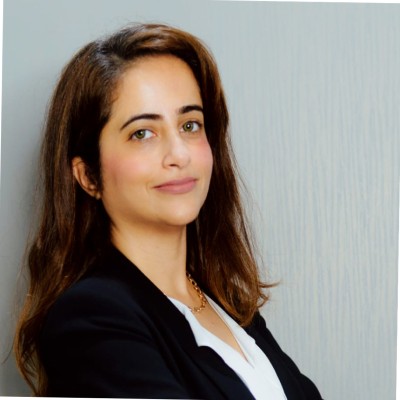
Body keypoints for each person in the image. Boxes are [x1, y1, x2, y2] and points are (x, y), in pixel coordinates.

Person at [14, 23, 323, 399]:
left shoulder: (226, 303)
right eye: (142, 133)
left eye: (190, 125)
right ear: (88, 176)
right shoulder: (91, 317)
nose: (179, 154)